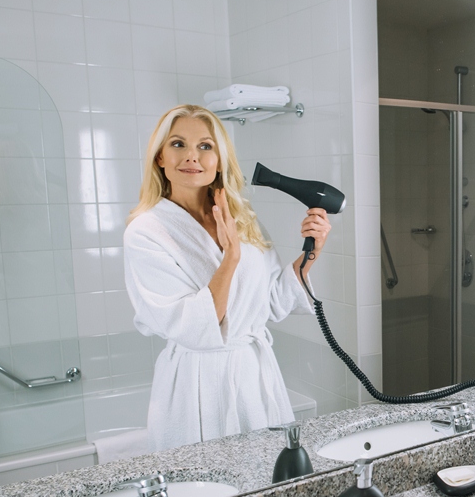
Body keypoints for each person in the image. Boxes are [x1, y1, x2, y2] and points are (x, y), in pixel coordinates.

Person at [123, 104, 331, 452]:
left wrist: (312, 252)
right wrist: (230, 256)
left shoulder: (241, 218)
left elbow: (271, 302)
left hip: (254, 374)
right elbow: (194, 326)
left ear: (219, 158)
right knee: (206, 486)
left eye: (205, 146)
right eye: (178, 144)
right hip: (198, 384)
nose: (192, 156)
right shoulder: (146, 231)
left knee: (266, 476)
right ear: (160, 157)